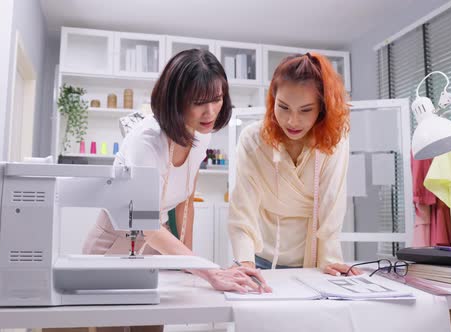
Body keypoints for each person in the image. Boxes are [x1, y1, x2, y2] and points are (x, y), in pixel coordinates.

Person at [81, 49, 270, 332]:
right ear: (175, 99)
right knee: (113, 326)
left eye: (217, 99)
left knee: (151, 327)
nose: (210, 112)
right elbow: (145, 225)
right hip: (115, 244)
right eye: (199, 103)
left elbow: (186, 203)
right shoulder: (147, 142)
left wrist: (187, 265)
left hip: (158, 247)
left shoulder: (201, 133)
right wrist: (208, 270)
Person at [227, 52, 362, 276]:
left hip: (313, 264)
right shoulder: (253, 139)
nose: (293, 121)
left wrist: (330, 259)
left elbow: (332, 204)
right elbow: (243, 207)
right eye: (283, 107)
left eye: (306, 110)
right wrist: (244, 262)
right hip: (260, 260)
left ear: (322, 107)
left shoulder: (334, 141)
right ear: (272, 100)